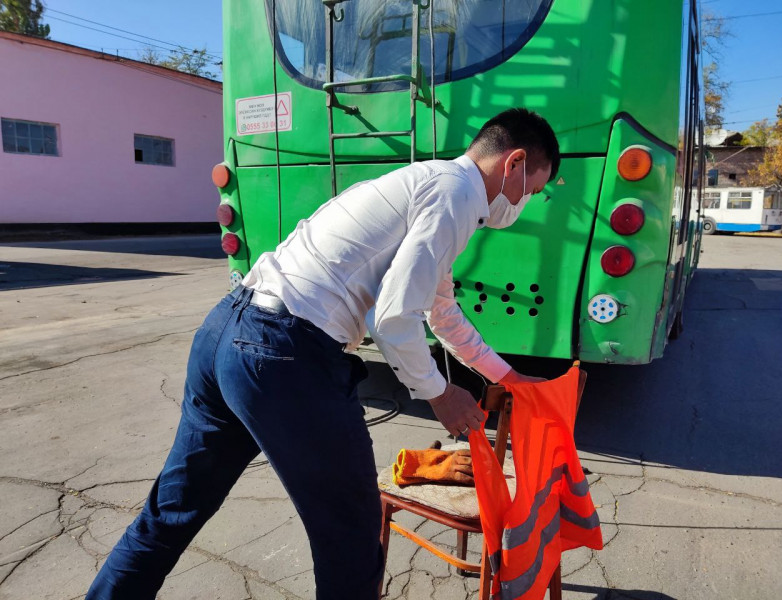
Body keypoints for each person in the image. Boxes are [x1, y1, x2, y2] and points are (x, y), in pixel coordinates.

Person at [86, 107, 560, 600]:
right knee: (351, 537)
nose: (523, 202)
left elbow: (441, 310)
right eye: (531, 189)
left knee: (172, 511)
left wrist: (507, 376)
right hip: (285, 355)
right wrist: (440, 394)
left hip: (226, 331)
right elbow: (393, 317)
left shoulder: (428, 183)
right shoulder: (457, 194)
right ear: (514, 162)